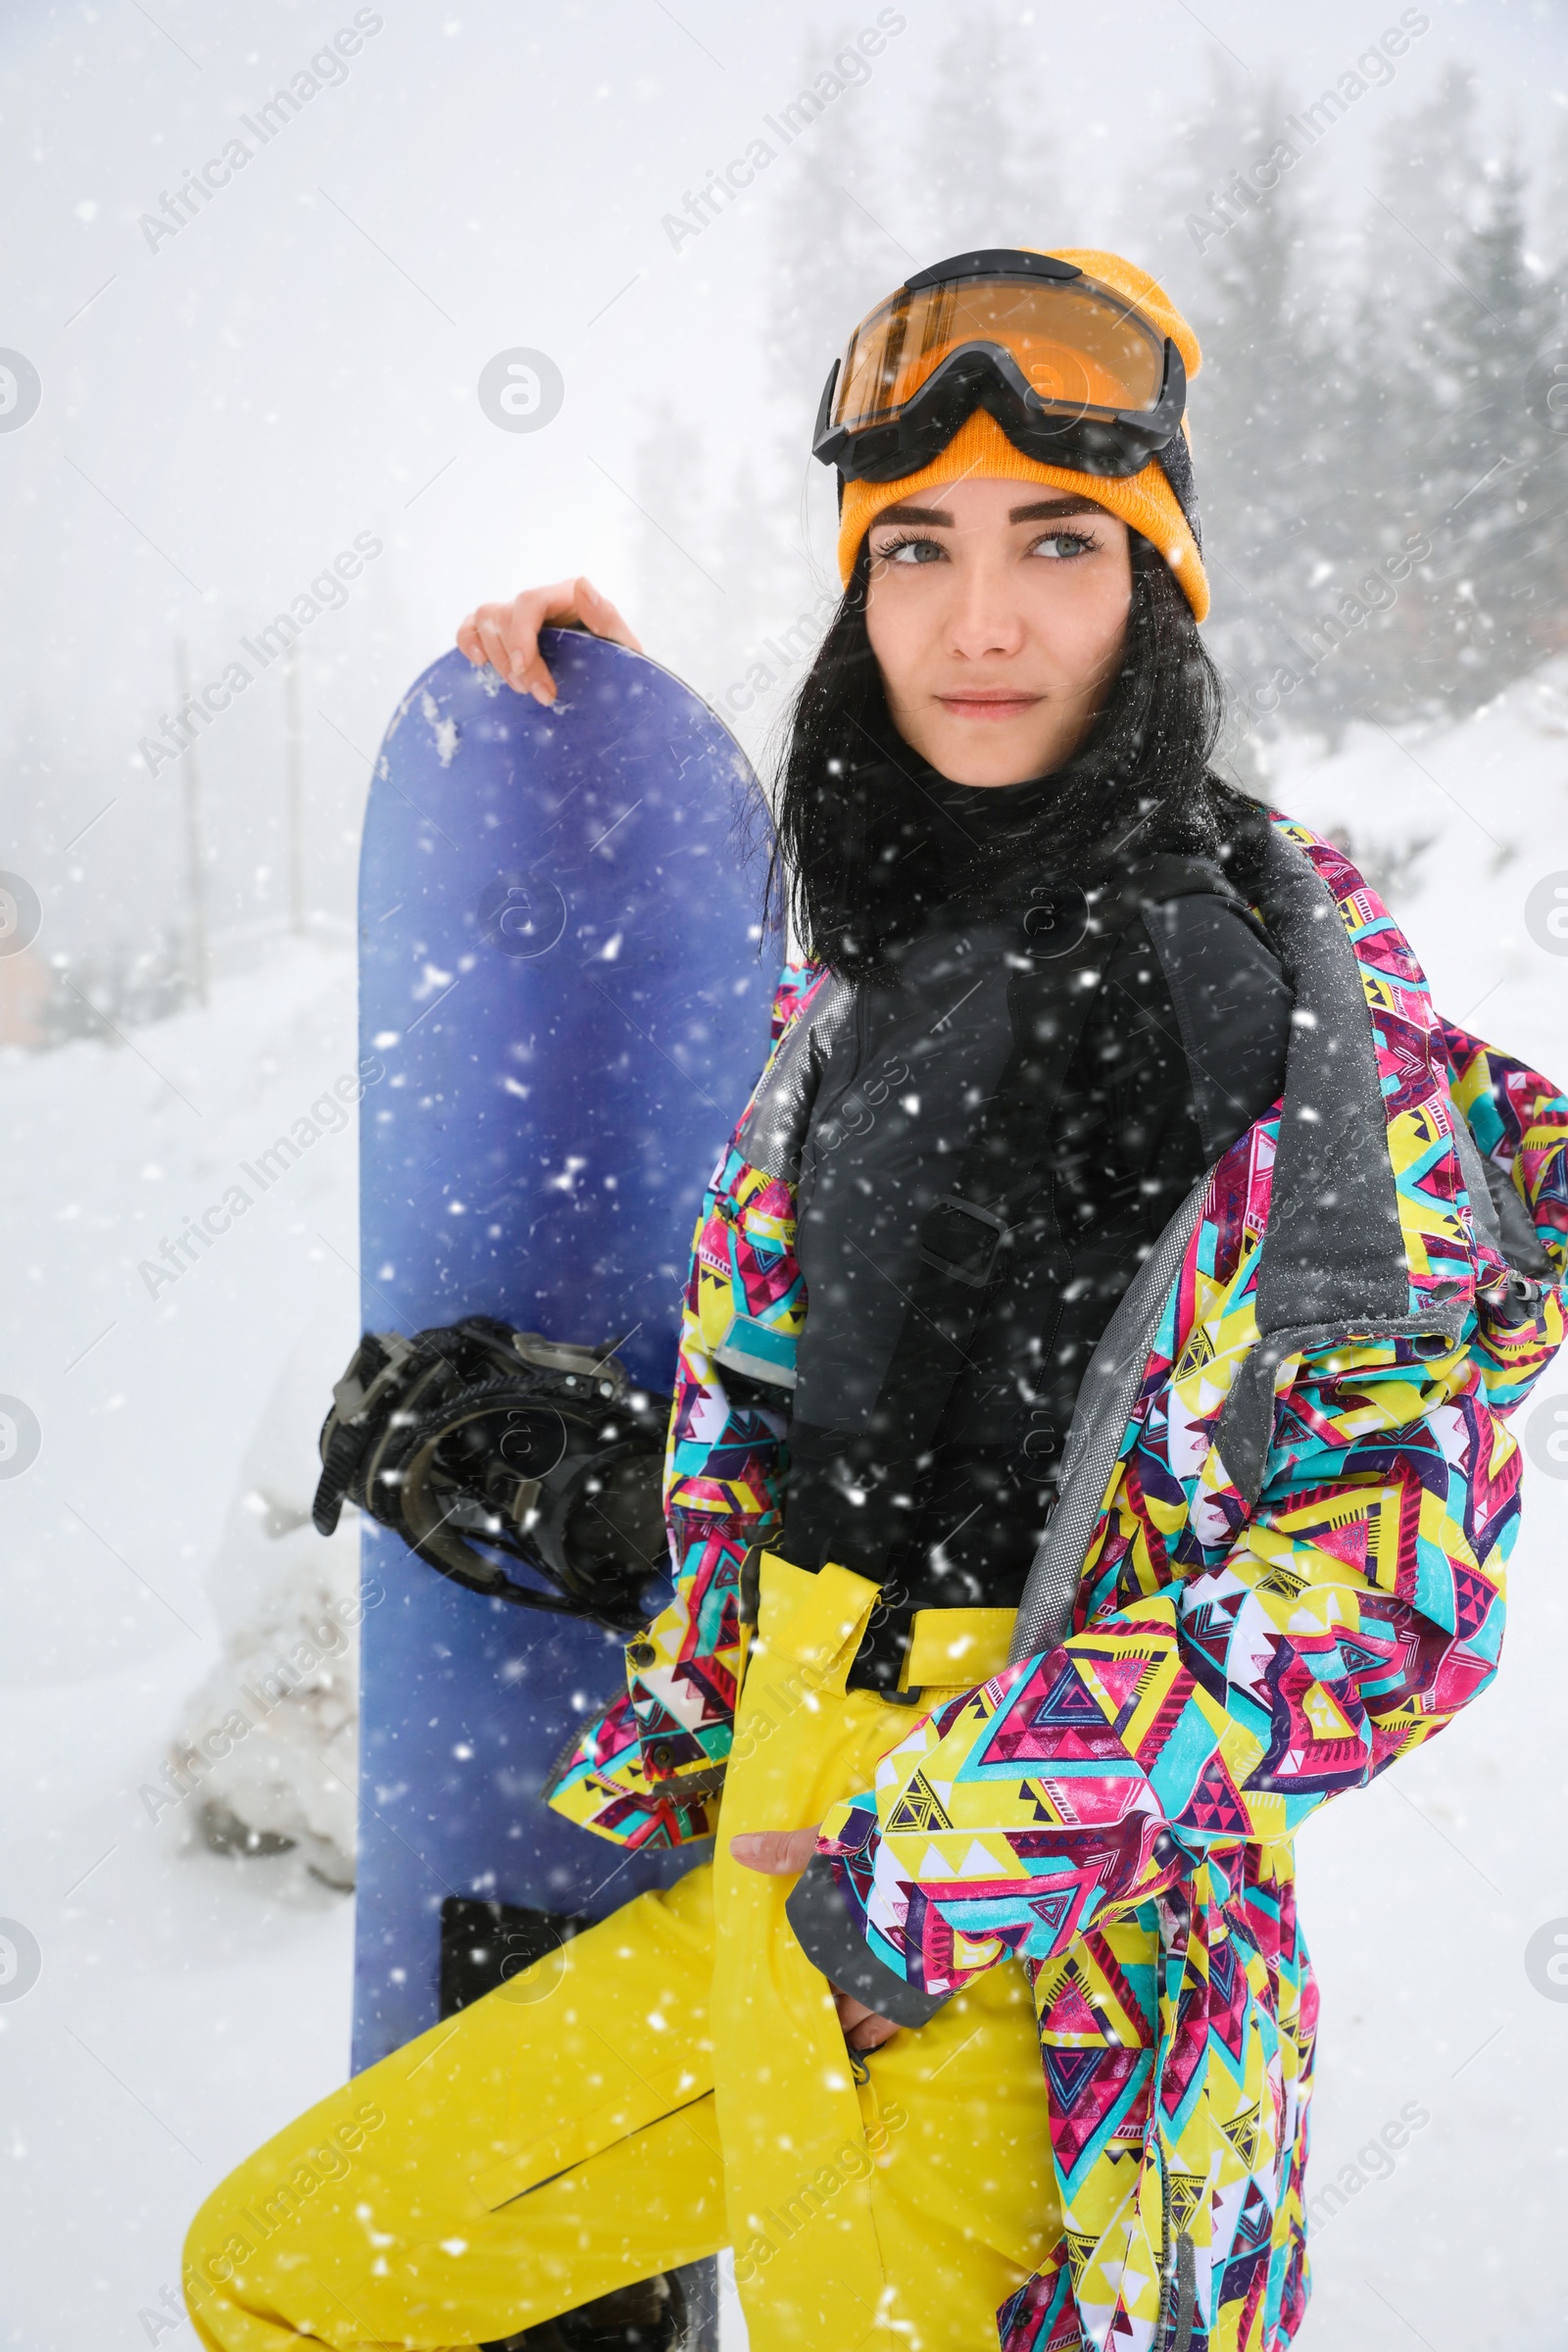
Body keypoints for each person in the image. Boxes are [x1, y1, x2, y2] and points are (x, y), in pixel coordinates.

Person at [183, 247, 1567, 2352]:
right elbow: (892, 1351)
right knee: (290, 2269)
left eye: (1055, 546)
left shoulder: (1230, 1001)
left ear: (1155, 586)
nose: (976, 618)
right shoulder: (892, 959)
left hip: (1015, 1953)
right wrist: (595, 788)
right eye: (910, 551)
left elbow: (1385, 1598)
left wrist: (932, 1863)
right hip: (785, 1834)